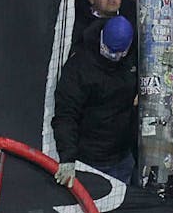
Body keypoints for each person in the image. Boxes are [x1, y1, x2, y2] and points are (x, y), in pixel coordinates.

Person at [53, 16, 138, 185]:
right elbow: (66, 114)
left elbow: (157, 75)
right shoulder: (80, 66)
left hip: (123, 156)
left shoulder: (135, 54)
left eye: (119, 53)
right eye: (109, 50)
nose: (113, 56)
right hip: (88, 160)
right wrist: (67, 157)